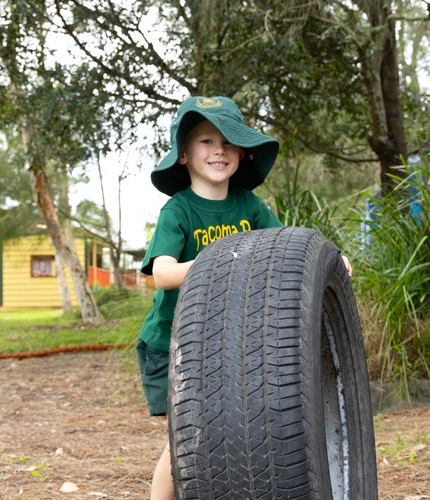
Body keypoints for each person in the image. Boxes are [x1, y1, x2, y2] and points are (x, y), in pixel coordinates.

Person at [137, 95, 351, 500]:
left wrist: (332, 260)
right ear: (182, 155)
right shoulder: (178, 210)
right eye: (205, 141)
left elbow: (288, 249)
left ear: (241, 154)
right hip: (173, 343)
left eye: (228, 142)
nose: (219, 150)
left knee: (229, 429)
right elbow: (162, 273)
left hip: (228, 342)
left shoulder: (248, 206)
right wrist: (217, 264)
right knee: (185, 437)